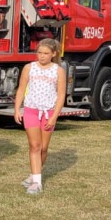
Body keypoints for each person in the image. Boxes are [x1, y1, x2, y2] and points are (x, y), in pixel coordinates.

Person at [13, 39, 66, 195]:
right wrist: (17, 109)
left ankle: (34, 174)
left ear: (53, 54)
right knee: (34, 146)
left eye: (45, 53)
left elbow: (61, 95)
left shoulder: (58, 71)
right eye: (39, 53)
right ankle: (37, 182)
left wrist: (54, 116)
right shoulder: (29, 68)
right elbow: (21, 89)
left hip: (48, 111)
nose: (42, 56)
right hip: (31, 110)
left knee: (43, 147)